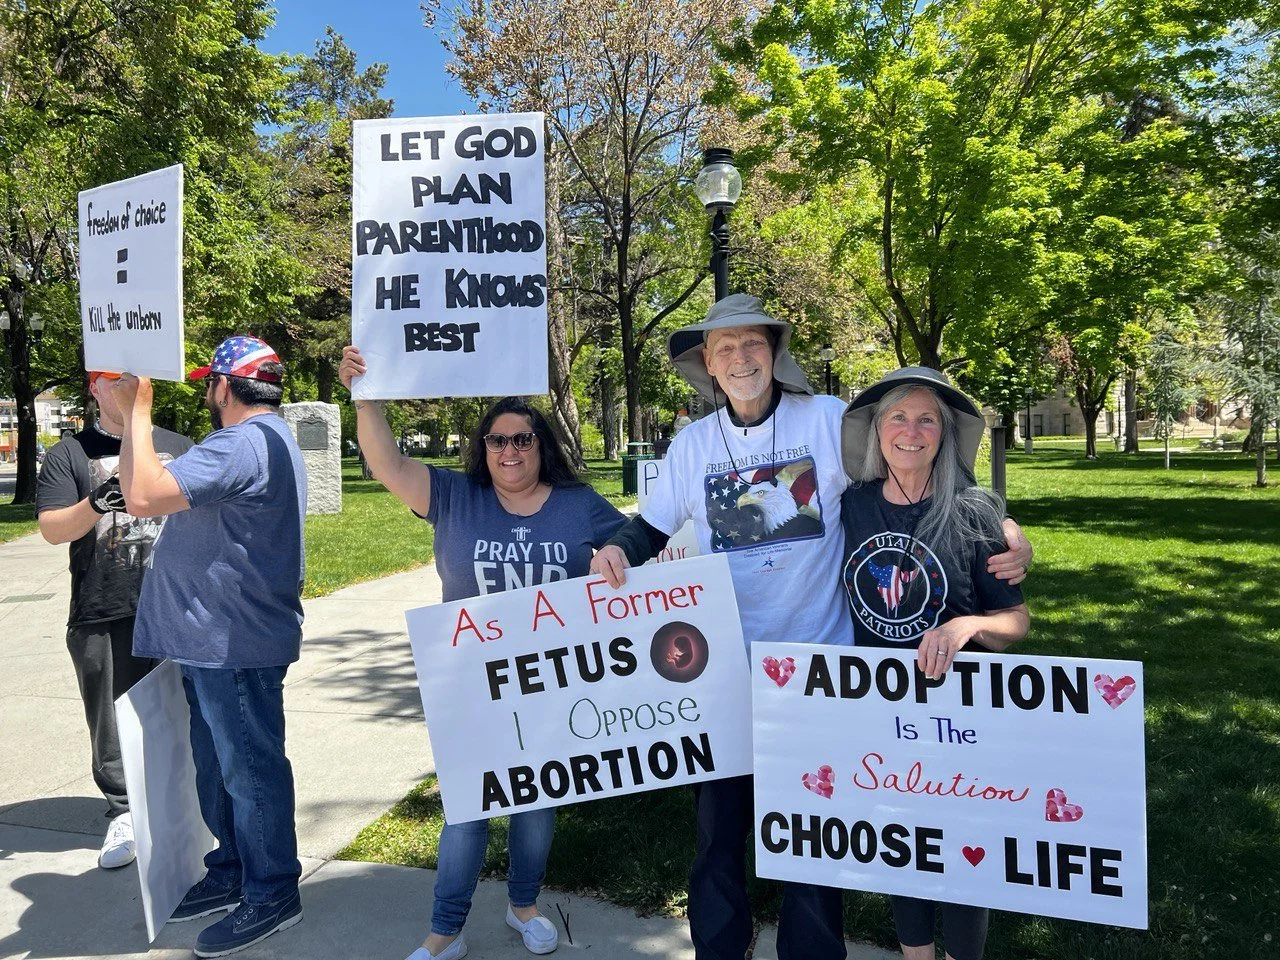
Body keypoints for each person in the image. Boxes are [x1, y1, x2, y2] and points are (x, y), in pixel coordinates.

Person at [590, 294, 1032, 960]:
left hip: (819, 667)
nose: (741, 360)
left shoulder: (826, 421)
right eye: (725, 349)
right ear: (708, 365)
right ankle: (720, 946)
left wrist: (1001, 526)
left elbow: (914, 464)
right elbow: (651, 525)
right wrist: (621, 548)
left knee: (814, 826)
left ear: (774, 353)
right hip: (725, 671)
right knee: (718, 831)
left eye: (752, 345)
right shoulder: (692, 446)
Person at [339, 345, 626, 960]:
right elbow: (386, 462)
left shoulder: (580, 508)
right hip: (471, 685)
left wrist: (617, 555)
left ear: (541, 446)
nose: (510, 451)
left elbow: (635, 546)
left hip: (551, 685)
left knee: (538, 805)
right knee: (466, 811)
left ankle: (524, 907)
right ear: (483, 448)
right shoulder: (452, 497)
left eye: (523, 439)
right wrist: (368, 397)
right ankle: (445, 930)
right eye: (498, 441)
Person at [112, 336, 308, 958]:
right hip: (214, 642)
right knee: (223, 766)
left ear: (224, 388)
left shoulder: (242, 443)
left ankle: (272, 888)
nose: (204, 394)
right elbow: (145, 486)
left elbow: (141, 496)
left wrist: (139, 406)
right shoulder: (265, 439)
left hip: (232, 643)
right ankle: (232, 870)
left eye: (207, 385)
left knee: (249, 770)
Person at [839, 367, 1030, 960]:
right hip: (882, 705)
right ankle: (916, 953)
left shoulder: (975, 511)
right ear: (878, 430)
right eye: (898, 416)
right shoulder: (851, 506)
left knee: (966, 842)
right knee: (904, 836)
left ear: (945, 435)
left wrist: (969, 624)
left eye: (927, 419)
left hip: (961, 712)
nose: (912, 430)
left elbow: (1016, 623)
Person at [35, 370, 193, 869]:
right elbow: (52, 529)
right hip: (103, 607)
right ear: (94, 389)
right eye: (110, 378)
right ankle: (123, 812)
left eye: (133, 376)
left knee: (185, 715)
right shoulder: (70, 454)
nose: (123, 383)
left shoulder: (179, 446)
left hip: (176, 606)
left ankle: (184, 809)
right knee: (110, 723)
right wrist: (97, 501)